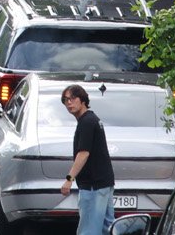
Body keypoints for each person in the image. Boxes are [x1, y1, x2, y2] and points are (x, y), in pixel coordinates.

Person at [59, 84, 116, 235]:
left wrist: (69, 179)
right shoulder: (92, 119)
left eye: (73, 98)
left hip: (93, 185)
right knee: (108, 229)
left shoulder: (86, 122)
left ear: (83, 99)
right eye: (65, 100)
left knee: (89, 230)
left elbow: (83, 154)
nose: (69, 103)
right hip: (104, 183)